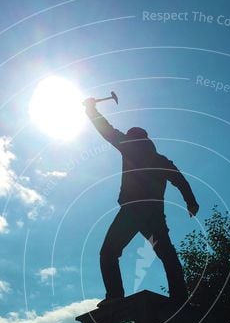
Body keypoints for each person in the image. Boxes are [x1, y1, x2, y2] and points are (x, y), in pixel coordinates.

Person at [83, 97, 199, 307]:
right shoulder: (161, 160)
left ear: (132, 137)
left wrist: (91, 109)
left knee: (108, 252)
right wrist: (191, 202)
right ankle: (181, 298)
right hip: (154, 217)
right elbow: (180, 179)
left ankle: (115, 295)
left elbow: (106, 130)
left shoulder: (129, 147)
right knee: (166, 254)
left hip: (133, 212)